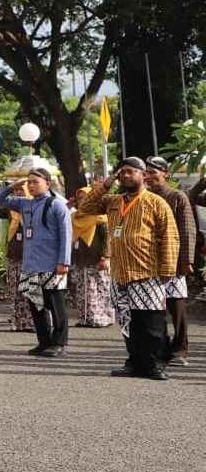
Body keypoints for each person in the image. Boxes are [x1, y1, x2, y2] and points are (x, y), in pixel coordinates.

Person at [77, 158, 179, 380]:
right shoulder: (113, 201)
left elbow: (170, 237)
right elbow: (85, 208)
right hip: (120, 273)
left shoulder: (156, 202)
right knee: (127, 321)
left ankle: (155, 365)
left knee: (151, 323)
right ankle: (134, 363)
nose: (125, 176)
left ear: (143, 175)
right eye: (122, 172)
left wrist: (167, 270)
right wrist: (106, 184)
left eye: (131, 172)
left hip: (148, 273)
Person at [0, 168, 74, 357]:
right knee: (36, 305)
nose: (31, 185)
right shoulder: (25, 204)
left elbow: (66, 235)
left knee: (56, 306)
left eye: (35, 181)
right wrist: (13, 186)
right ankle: (44, 341)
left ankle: (59, 343)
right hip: (30, 265)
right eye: (29, 182)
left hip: (52, 265)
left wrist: (64, 262)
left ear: (47, 183)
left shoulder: (57, 205)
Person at [143, 157, 197, 367]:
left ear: (165, 173)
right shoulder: (143, 197)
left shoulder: (177, 196)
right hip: (148, 262)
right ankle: (161, 348)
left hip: (173, 261)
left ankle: (181, 348)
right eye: (146, 172)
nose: (149, 176)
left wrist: (187, 260)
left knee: (176, 307)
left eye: (154, 171)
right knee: (154, 308)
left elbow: (187, 231)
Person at [0, 181, 36, 333]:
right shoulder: (11, 211)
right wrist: (5, 189)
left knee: (30, 290)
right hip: (14, 255)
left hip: (30, 257)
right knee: (15, 291)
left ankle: (32, 322)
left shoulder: (34, 210)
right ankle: (19, 322)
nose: (18, 194)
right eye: (16, 192)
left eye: (21, 191)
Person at [70, 186, 115, 327]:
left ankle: (101, 318)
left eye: (86, 198)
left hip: (97, 259)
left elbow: (107, 238)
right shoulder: (76, 217)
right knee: (83, 290)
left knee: (99, 289)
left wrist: (105, 257)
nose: (82, 201)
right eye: (79, 198)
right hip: (81, 258)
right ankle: (85, 318)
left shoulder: (100, 217)